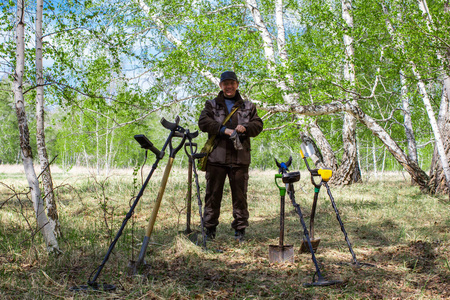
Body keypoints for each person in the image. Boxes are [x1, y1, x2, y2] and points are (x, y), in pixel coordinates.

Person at [198, 71, 263, 242]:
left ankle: (240, 231)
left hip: (240, 159)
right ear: (220, 86)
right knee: (212, 195)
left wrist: (246, 127)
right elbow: (203, 122)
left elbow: (258, 125)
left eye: (232, 83)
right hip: (216, 159)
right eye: (225, 84)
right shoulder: (211, 104)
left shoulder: (248, 106)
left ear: (237, 84)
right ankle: (209, 230)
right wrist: (222, 129)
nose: (229, 87)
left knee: (240, 197)